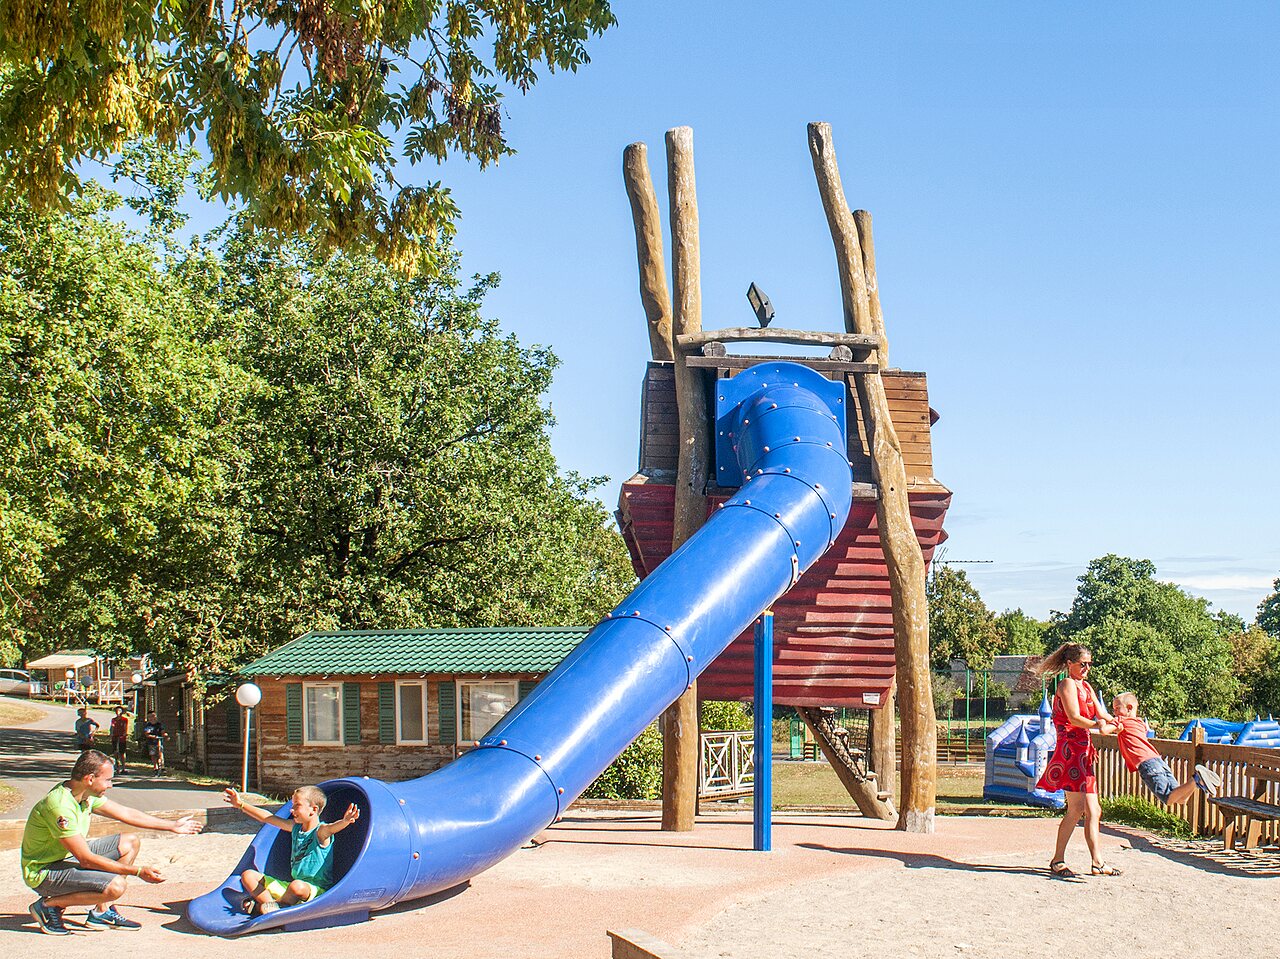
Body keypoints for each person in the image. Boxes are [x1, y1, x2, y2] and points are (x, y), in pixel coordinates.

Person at [21, 749, 202, 935]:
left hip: (66, 860)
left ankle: (101, 912)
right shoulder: (60, 805)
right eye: (107, 780)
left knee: (130, 842)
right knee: (116, 886)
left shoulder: (84, 795)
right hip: (43, 872)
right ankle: (48, 906)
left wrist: (172, 825)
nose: (111, 785)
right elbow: (86, 859)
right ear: (90, 779)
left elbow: (126, 813)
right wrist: (138, 871)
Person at [1035, 642, 1121, 879]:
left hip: (1084, 752)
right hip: (1071, 751)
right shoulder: (1066, 684)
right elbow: (1074, 717)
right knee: (1076, 809)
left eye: (1089, 665)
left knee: (1094, 810)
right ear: (1070, 664)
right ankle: (1057, 859)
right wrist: (1099, 725)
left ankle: (1098, 863)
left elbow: (1102, 714)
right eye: (1083, 664)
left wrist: (1120, 723)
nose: (1086, 668)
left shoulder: (1086, 687)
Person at [223, 785, 360, 916]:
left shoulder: (320, 832)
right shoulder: (295, 828)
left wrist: (345, 821)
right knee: (248, 875)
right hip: (290, 889)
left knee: (297, 886)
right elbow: (267, 817)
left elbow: (332, 828)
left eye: (297, 805)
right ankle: (272, 905)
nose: (291, 809)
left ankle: (263, 907)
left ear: (313, 809)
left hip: (314, 891)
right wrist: (241, 804)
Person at [1111, 692, 1222, 805]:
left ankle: (1196, 779)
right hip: (1157, 760)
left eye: (1116, 708)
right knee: (1181, 799)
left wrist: (1099, 722)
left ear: (1129, 708)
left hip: (1146, 764)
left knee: (1168, 798)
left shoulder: (1122, 721)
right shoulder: (1140, 723)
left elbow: (1103, 730)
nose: (1114, 712)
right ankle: (1197, 782)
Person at [109, 707, 130, 774]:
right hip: (115, 736)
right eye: (117, 711)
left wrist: (124, 734)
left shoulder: (124, 719)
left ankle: (123, 767)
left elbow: (125, 727)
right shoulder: (113, 719)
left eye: (119, 711)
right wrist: (111, 734)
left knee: (122, 752)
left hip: (121, 737)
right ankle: (117, 765)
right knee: (115, 751)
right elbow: (112, 727)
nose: (118, 712)